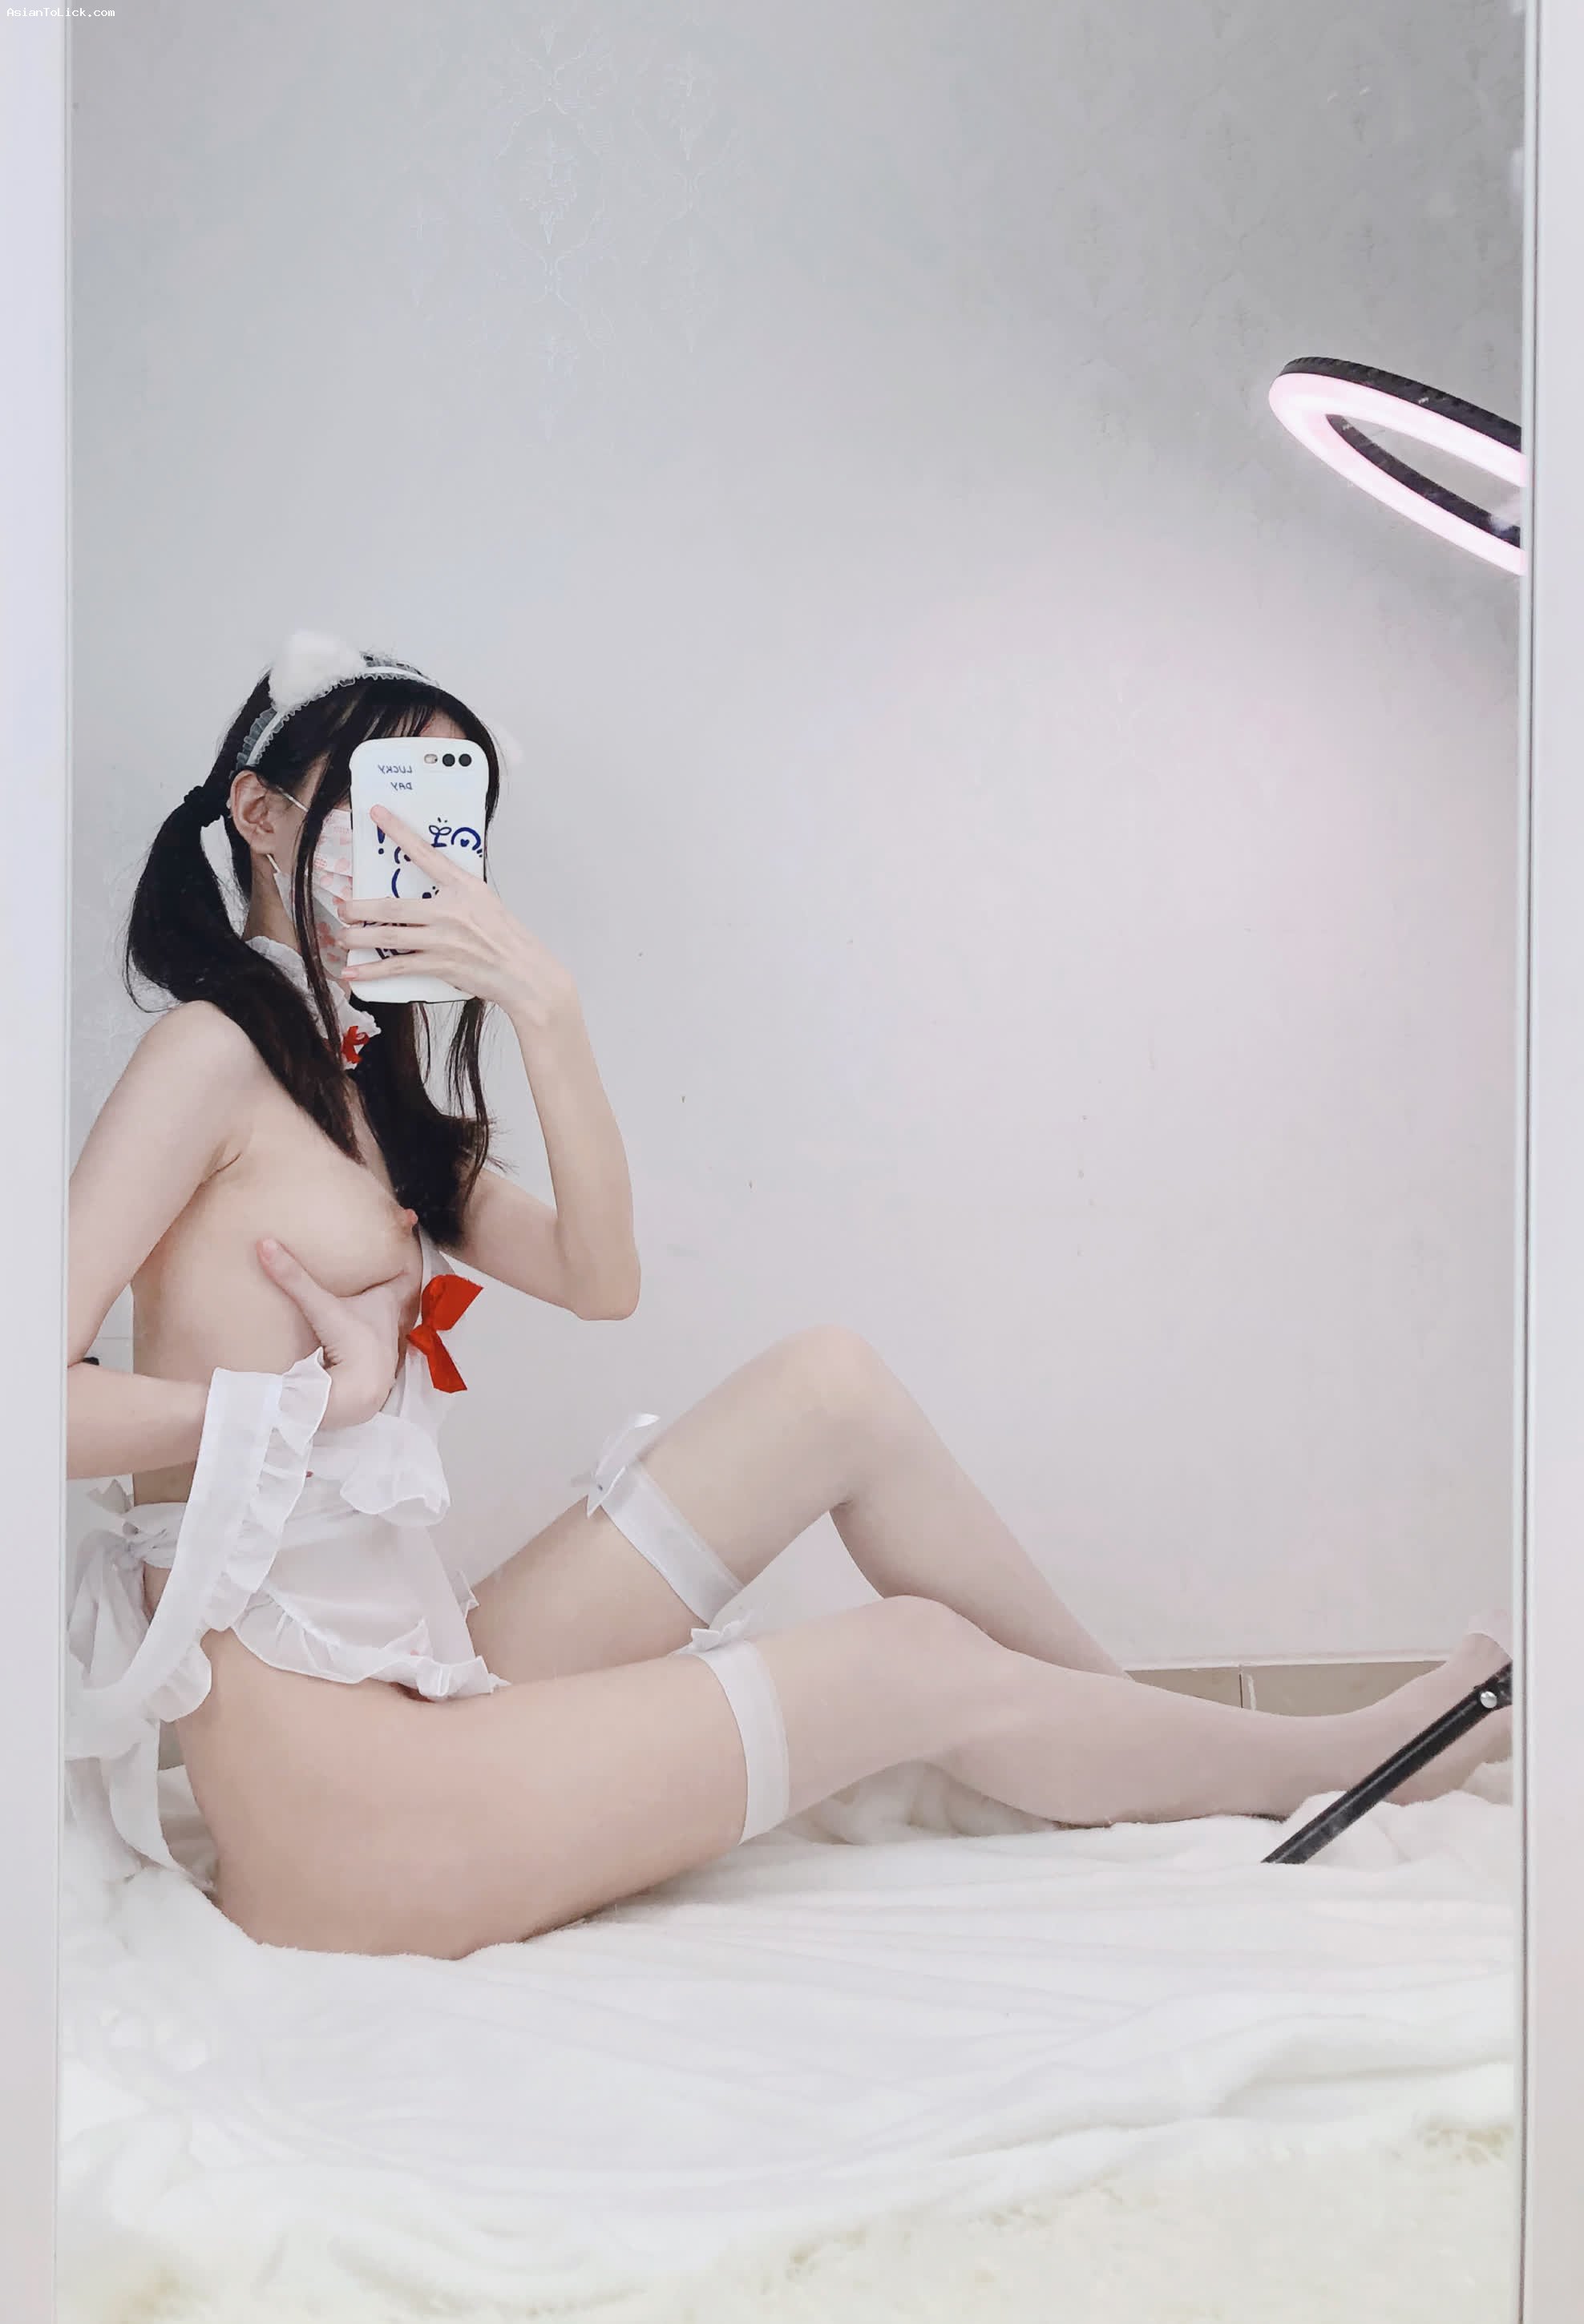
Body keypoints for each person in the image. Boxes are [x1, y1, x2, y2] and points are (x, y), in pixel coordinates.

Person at [64, 629, 1513, 1962]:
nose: (419, 850)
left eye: (450, 813)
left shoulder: (367, 1092)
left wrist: (546, 1010)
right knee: (911, 1659)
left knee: (831, 1388)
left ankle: (1142, 1745)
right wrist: (293, 1405)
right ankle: (1337, 1761)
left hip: (414, 1687)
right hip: (349, 1829)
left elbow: (602, 1280)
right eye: (384, 797)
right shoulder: (208, 1055)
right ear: (262, 816)